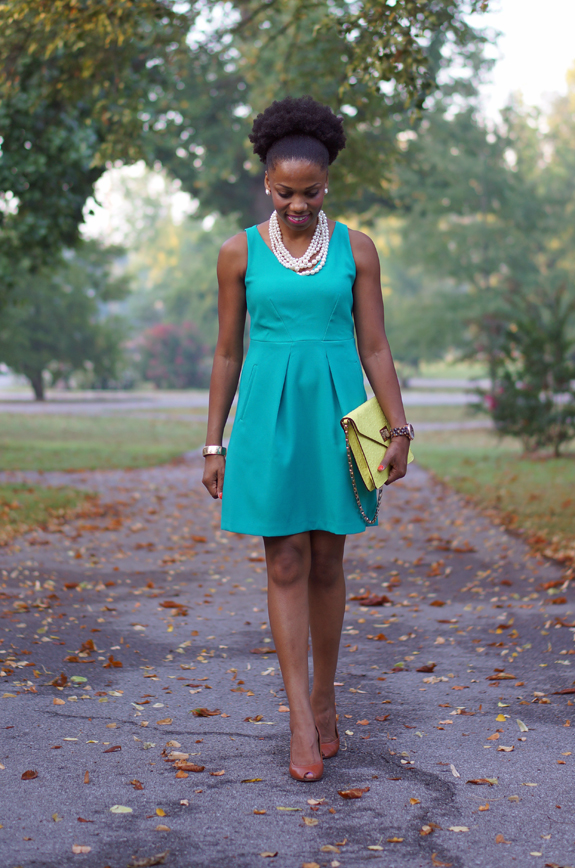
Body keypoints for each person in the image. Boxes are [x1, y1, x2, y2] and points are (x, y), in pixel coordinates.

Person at [202, 96, 413, 782]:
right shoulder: (237, 252)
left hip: (342, 413)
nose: (298, 205)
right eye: (285, 192)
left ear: (328, 185)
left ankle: (325, 697)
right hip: (265, 416)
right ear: (266, 183)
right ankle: (298, 714)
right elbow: (227, 353)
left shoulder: (356, 248)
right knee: (283, 561)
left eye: (311, 192)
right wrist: (213, 444)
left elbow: (375, 345)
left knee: (328, 561)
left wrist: (398, 428)